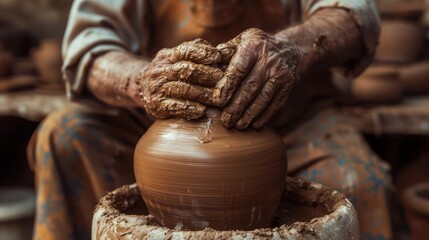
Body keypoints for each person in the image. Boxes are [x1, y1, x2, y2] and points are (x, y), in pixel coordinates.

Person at [28, 0, 392, 239]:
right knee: (65, 135)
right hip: (158, 115)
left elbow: (355, 14)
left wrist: (294, 47)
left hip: (292, 114)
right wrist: (140, 80)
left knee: (359, 182)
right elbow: (88, 48)